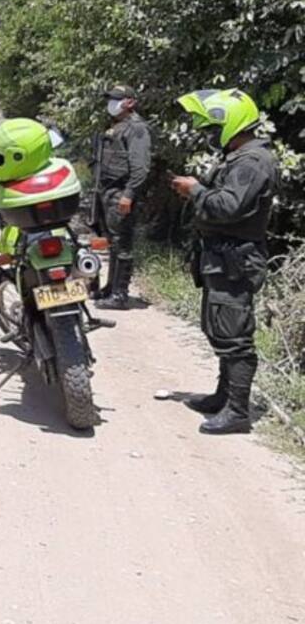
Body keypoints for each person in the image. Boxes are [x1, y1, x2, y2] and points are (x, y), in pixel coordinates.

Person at [172, 89, 278, 435]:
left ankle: (237, 411)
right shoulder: (239, 156)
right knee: (219, 327)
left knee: (235, 336)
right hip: (220, 257)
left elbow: (230, 207)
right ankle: (222, 396)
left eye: (211, 127)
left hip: (235, 259)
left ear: (230, 123)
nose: (208, 135)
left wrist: (195, 191)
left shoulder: (251, 162)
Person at [92, 85, 151, 310]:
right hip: (108, 191)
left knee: (122, 244)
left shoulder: (137, 129)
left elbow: (141, 168)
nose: (111, 104)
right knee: (112, 242)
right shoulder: (117, 126)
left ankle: (120, 294)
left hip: (121, 193)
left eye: (116, 100)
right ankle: (110, 287)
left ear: (130, 102)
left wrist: (128, 195)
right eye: (109, 99)